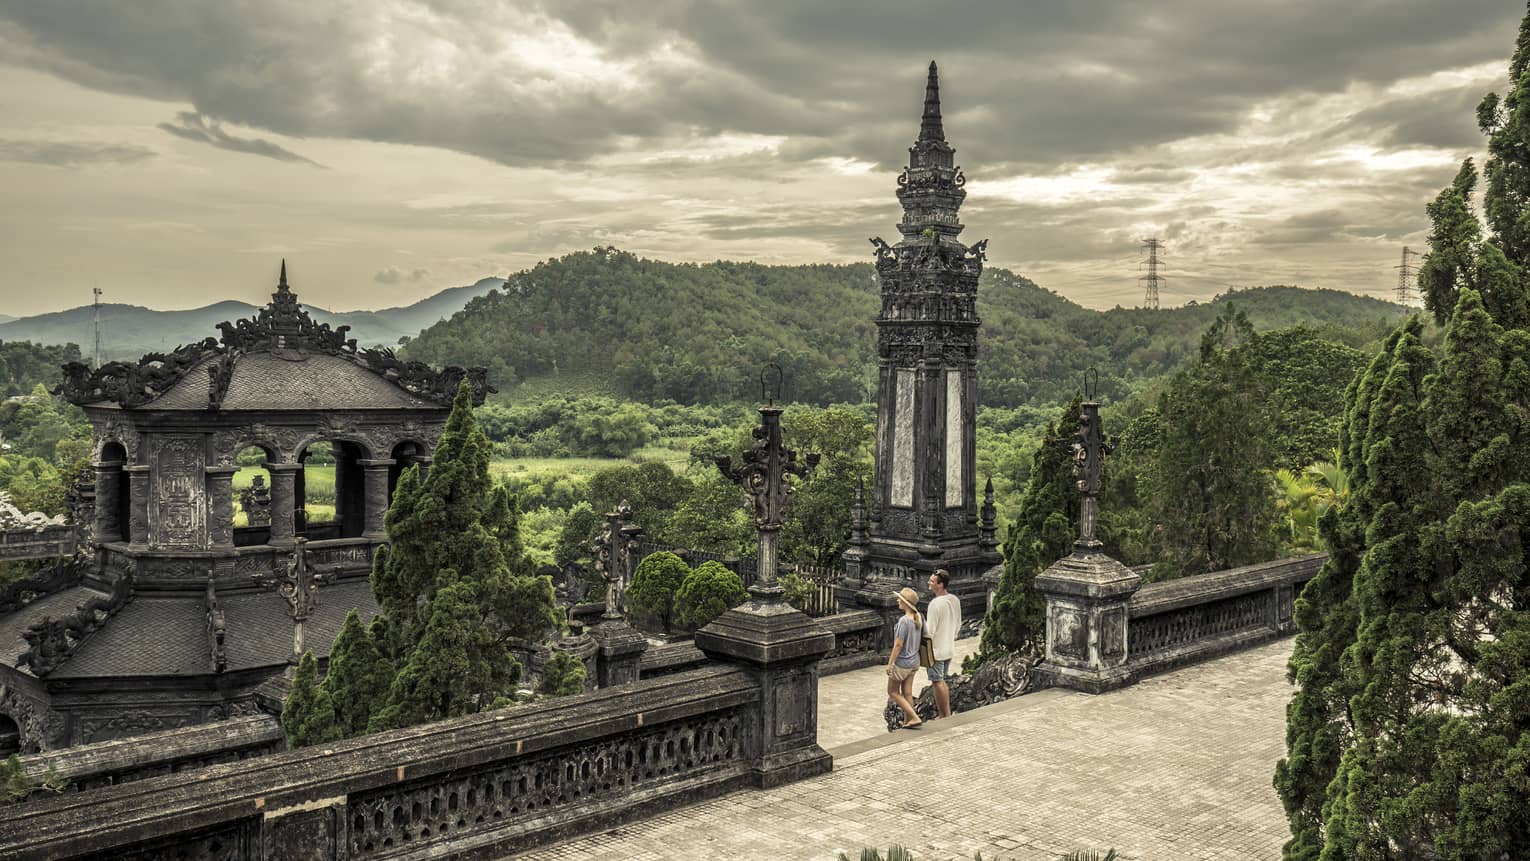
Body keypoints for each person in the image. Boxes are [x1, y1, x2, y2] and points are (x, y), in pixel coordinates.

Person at [886, 586, 925, 730]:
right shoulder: (918, 618)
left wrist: (890, 664)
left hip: (902, 663)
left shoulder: (904, 621)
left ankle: (914, 716)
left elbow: (898, 645)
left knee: (893, 692)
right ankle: (909, 721)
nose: (897, 600)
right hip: (914, 661)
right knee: (907, 692)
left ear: (905, 602)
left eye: (900, 599)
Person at [925, 568, 961, 719]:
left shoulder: (935, 604)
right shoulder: (954, 600)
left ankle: (944, 714)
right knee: (941, 680)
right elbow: (958, 624)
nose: (929, 583)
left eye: (932, 581)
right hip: (948, 647)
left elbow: (930, 631)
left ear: (940, 585)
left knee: (937, 681)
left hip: (936, 650)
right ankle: (945, 713)